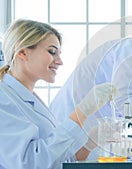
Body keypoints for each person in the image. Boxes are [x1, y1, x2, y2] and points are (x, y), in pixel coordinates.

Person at [0, 19, 118, 169]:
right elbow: (29, 164)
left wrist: (89, 145)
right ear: (22, 52)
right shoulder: (3, 98)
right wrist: (80, 114)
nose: (60, 61)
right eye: (52, 52)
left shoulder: (30, 99)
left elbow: (54, 161)